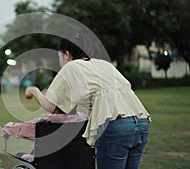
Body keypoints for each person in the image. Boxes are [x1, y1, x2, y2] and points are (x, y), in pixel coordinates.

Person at [25, 33, 151, 169]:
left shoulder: (71, 66)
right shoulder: (104, 65)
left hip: (115, 126)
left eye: (59, 56)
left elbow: (53, 108)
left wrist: (34, 91)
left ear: (66, 54)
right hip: (142, 122)